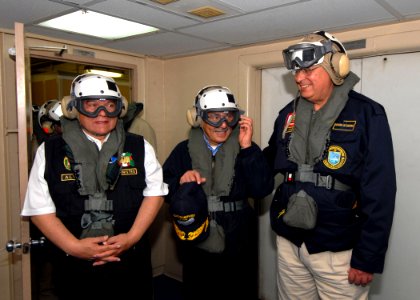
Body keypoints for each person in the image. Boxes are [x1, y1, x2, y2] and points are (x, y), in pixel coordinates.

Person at [263, 30, 396, 299]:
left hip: (339, 252)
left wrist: (367, 257)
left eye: (309, 69)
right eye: (296, 71)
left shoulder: (367, 114)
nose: (299, 78)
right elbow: (269, 163)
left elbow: (380, 190)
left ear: (336, 67)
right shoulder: (287, 115)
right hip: (290, 243)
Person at [21, 73, 168, 300]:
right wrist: (74, 247)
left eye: (110, 106)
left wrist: (131, 237)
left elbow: (155, 194)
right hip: (74, 266)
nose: (102, 114)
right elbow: (39, 209)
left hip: (130, 261)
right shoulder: (50, 151)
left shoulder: (139, 146)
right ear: (74, 109)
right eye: (91, 105)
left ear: (119, 109)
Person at [163, 85, 274, 300]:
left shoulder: (248, 149)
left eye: (229, 117)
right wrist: (180, 182)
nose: (223, 124)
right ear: (199, 118)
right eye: (214, 117)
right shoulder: (182, 150)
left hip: (239, 237)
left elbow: (262, 189)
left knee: (239, 290)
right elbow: (163, 189)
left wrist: (248, 148)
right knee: (198, 290)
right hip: (196, 234)